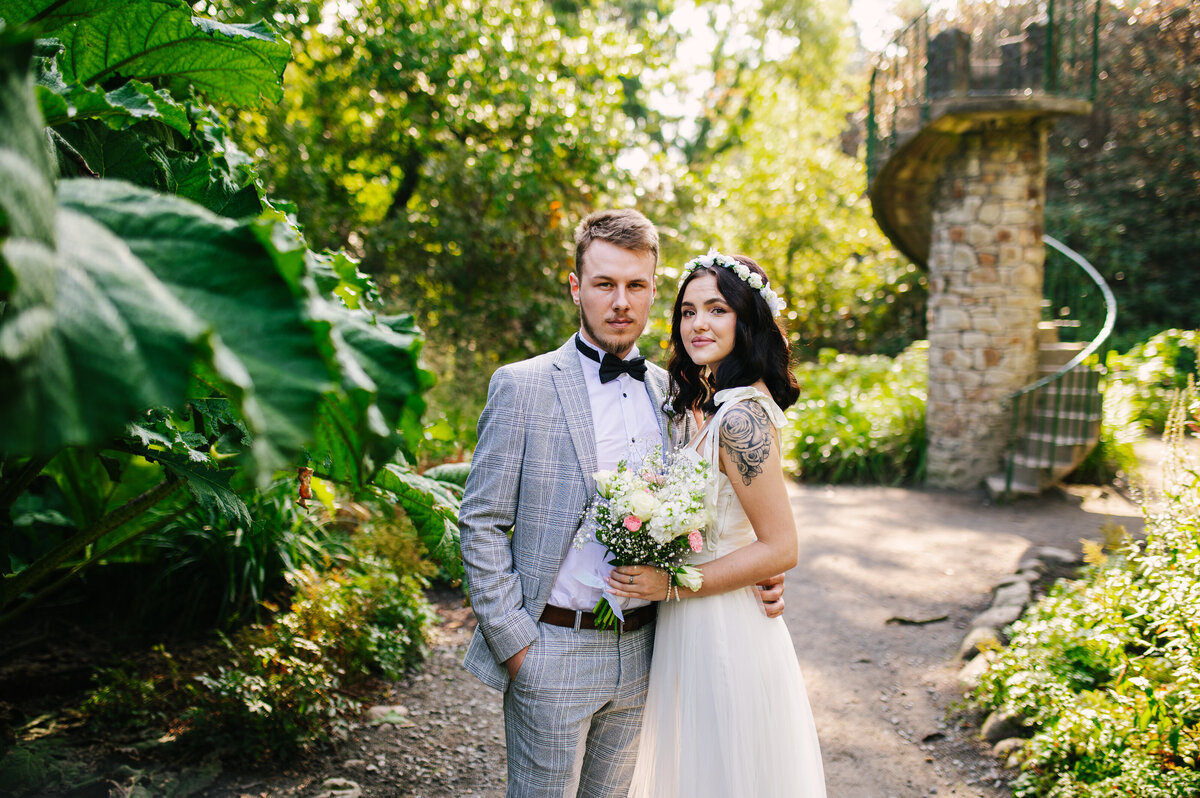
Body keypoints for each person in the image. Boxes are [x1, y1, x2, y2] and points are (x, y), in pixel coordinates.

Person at [459, 210, 785, 798]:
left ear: (654, 290)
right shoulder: (522, 386)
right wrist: (517, 648)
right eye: (605, 283)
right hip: (550, 649)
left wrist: (758, 574)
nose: (620, 302)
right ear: (575, 285)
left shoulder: (676, 394)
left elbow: (721, 508)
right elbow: (481, 521)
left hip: (649, 652)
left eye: (636, 286)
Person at [607, 252, 827, 796]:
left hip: (725, 630)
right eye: (687, 311)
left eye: (717, 309)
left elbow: (782, 546)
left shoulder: (742, 417)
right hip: (692, 624)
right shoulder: (708, 406)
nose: (698, 323)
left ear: (745, 320)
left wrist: (673, 584)